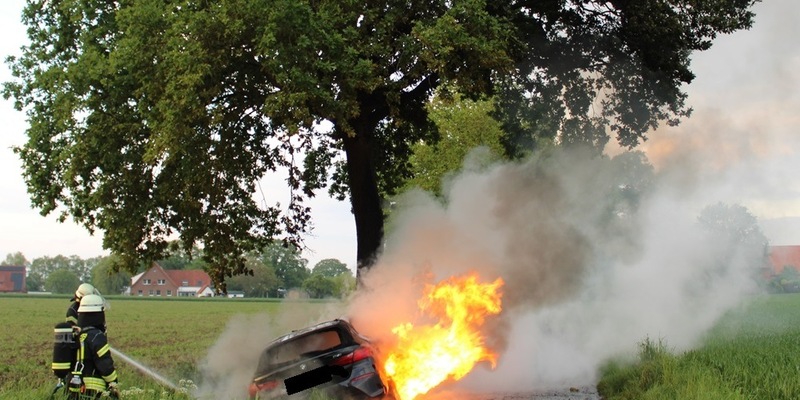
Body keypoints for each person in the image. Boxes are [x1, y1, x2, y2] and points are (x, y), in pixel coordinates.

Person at [66, 294, 120, 399]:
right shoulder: (97, 336)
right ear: (97, 314)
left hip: (72, 388)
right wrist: (114, 384)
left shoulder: (76, 335)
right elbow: (105, 366)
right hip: (92, 391)